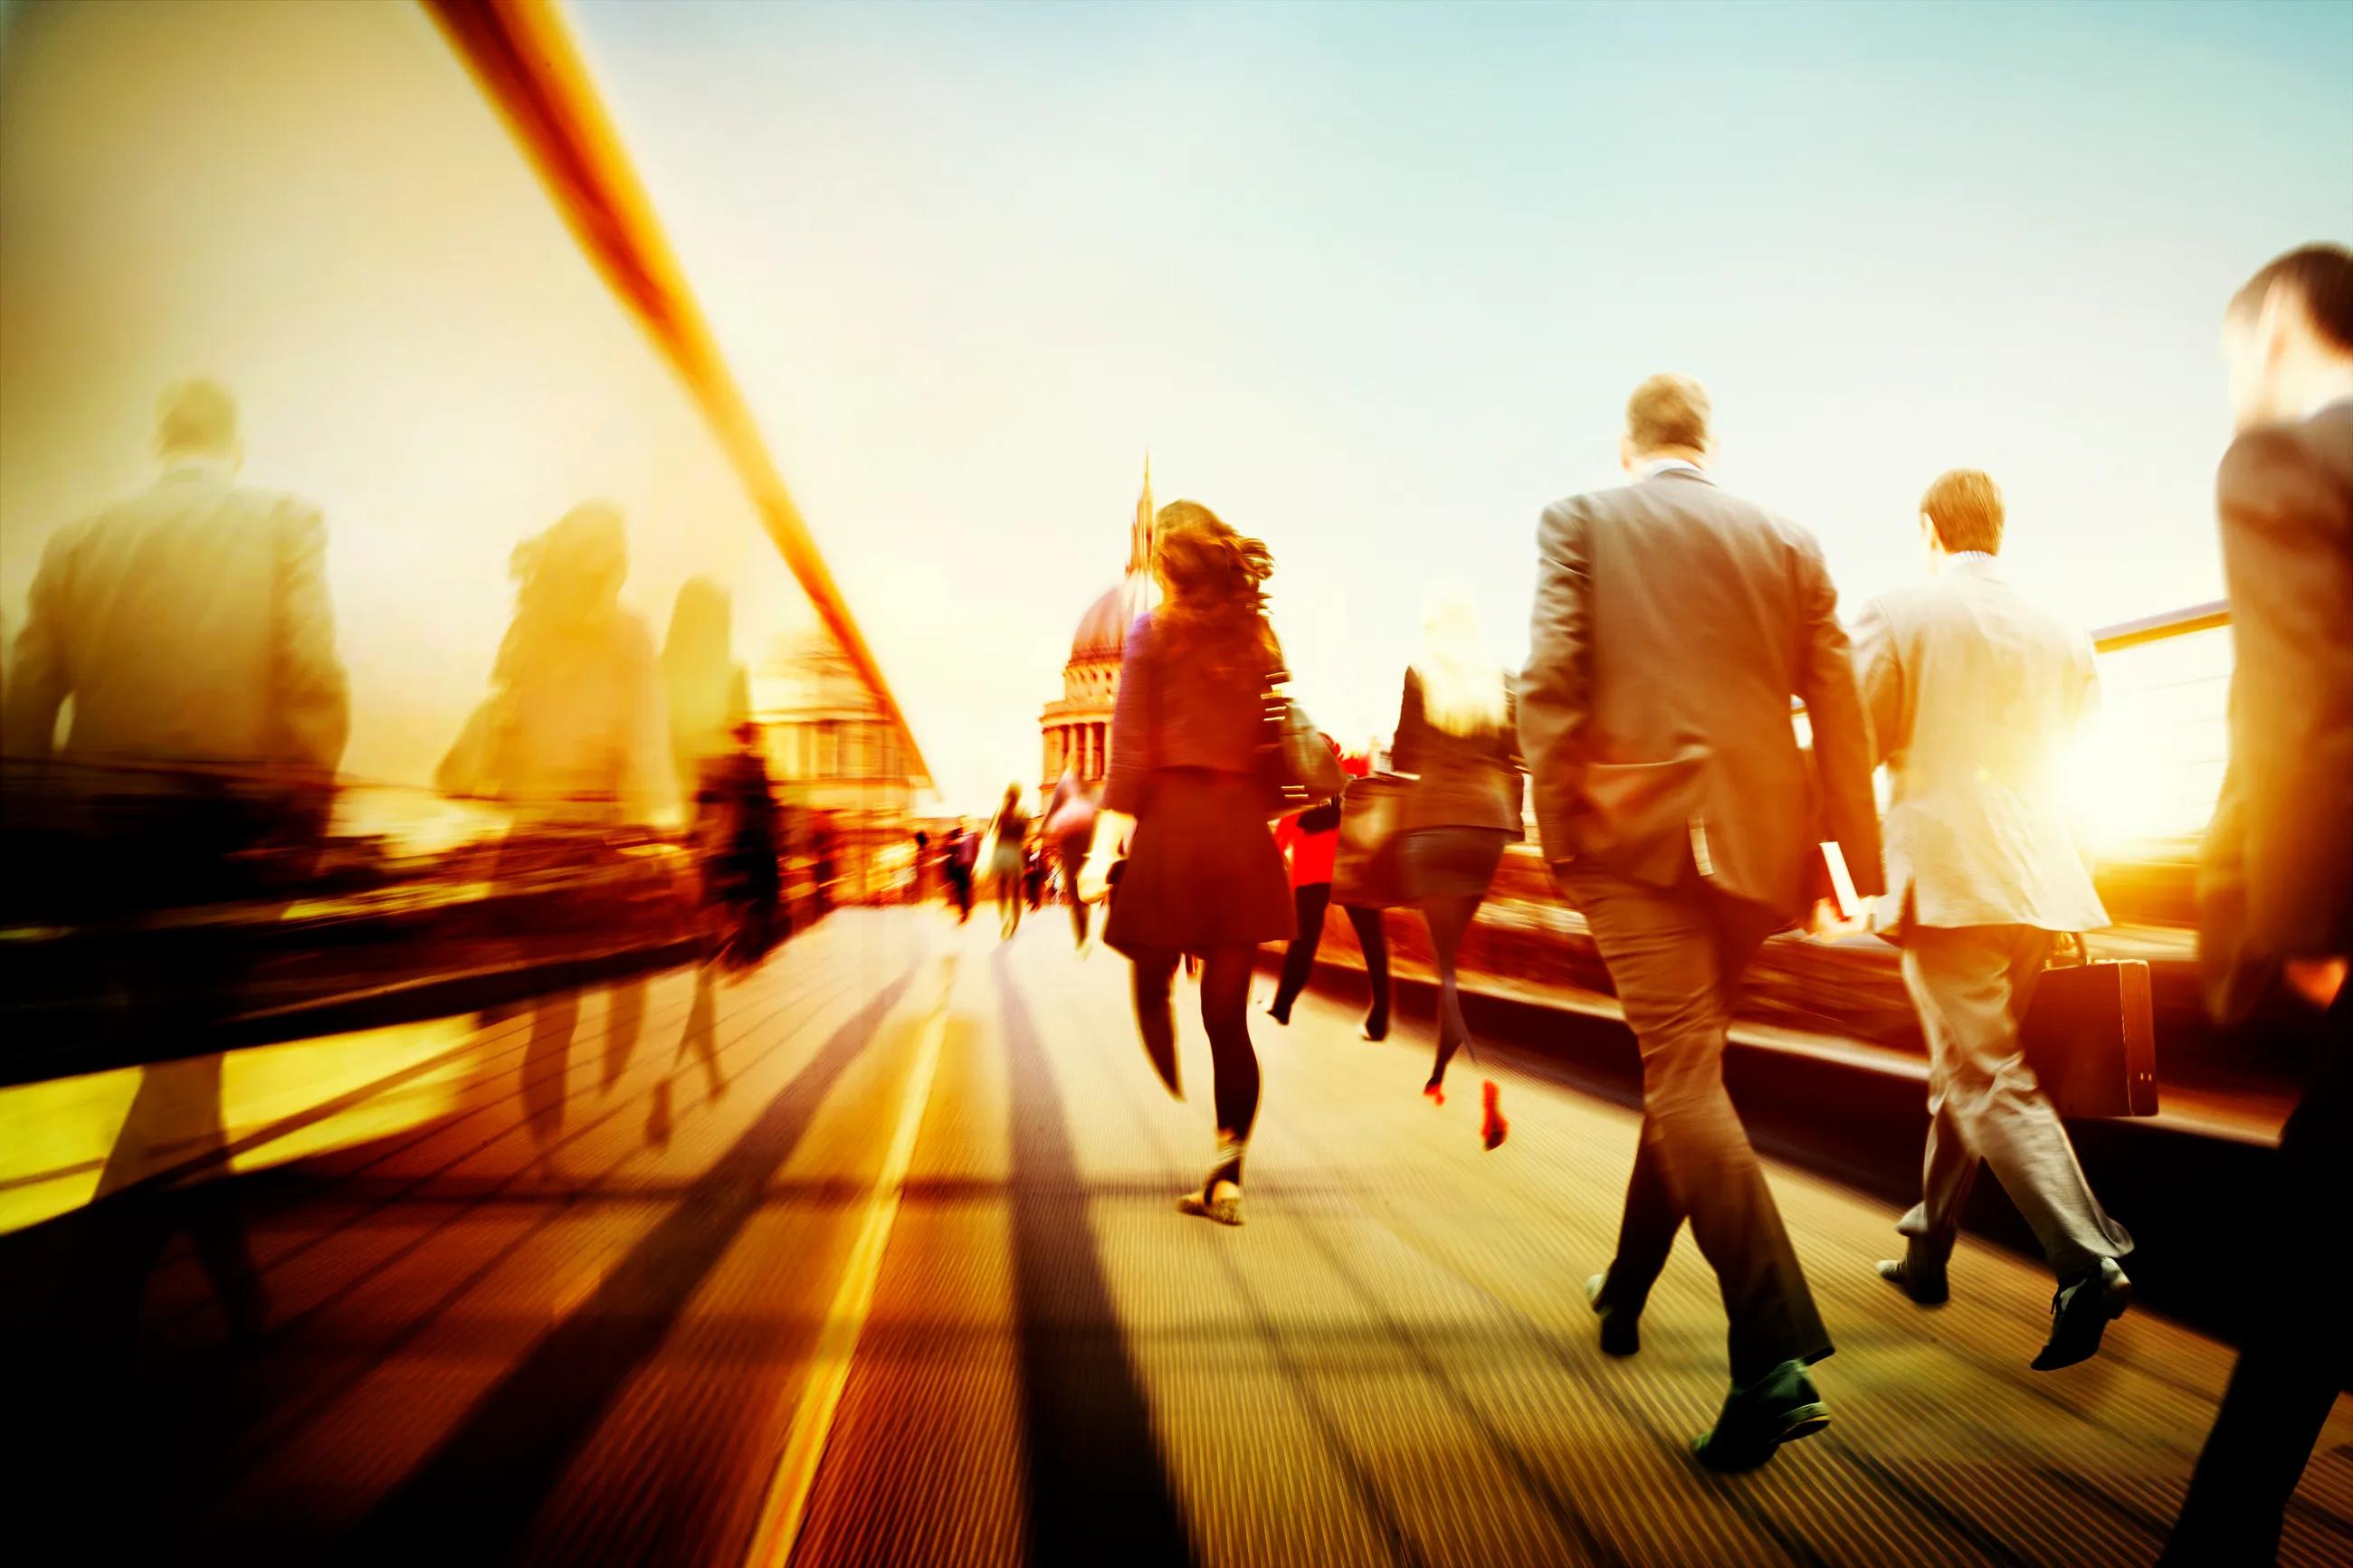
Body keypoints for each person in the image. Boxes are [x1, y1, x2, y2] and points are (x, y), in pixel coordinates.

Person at [1519, 373, 1881, 1470]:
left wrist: (1559, 834)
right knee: (1687, 1068)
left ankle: (1769, 1355)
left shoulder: (1580, 519)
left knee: (1679, 1072)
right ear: (1705, 443)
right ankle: (1625, 1285)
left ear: (1627, 445)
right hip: (1758, 848)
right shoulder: (1788, 539)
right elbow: (1838, 704)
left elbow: (1548, 681)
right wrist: (1856, 865)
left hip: (1636, 838)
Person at [5, 378, 349, 1358]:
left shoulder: (78, 540)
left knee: (180, 1067)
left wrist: (29, 845)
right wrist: (306, 818)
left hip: (99, 837)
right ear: (234, 442)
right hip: (221, 832)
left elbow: (27, 698)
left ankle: (242, 1298)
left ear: (160, 439)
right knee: (185, 1069)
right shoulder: (285, 521)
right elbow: (311, 670)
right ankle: (90, 1307)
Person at [1852, 469, 2135, 1366]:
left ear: (1930, 529)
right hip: (2036, 880)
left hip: (1946, 879)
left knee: (1984, 1071)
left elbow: (1859, 738)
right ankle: (1925, 1249)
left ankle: (2086, 1260)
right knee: (1963, 1067)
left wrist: (1849, 868)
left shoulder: (1897, 609)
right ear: (1996, 531)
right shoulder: (2063, 631)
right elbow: (2071, 749)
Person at [2161, 244, 2353, 1567]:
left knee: (2316, 1260)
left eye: (2239, 354)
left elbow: (2307, 709)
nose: (2237, 386)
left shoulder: (2286, 465)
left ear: (2283, 332)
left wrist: (2315, 930)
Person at [1080, 499, 1293, 1226]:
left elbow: (1132, 753)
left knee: (1146, 957)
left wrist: (1103, 851)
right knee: (1229, 1023)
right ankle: (1228, 1175)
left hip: (1172, 831)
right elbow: (1275, 752)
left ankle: (1158, 1028)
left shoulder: (1152, 630)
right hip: (1239, 835)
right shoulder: (1258, 635)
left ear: (1166, 565)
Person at [441, 501, 672, 1159]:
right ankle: (574, 1128)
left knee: (553, 1010)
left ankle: (547, 1144)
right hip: (595, 836)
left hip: (534, 832)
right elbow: (646, 737)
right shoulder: (628, 633)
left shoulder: (528, 625)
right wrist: (657, 823)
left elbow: (509, 717)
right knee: (594, 988)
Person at [1394, 586, 1525, 1150]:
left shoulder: (1420, 675)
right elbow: (1516, 752)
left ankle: (1477, 1071)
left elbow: (1402, 755)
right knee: (1462, 957)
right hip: (1487, 828)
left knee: (1445, 964)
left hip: (1435, 823)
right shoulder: (1503, 681)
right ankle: (1441, 1076)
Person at [1266, 733, 1345, 1022]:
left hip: (1309, 877)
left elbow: (1283, 834)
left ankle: (1283, 1005)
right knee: (1306, 943)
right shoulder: (1341, 785)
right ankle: (1284, 1003)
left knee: (1302, 943)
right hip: (1338, 876)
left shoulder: (1304, 787)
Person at [1045, 762, 1100, 950]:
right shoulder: (1089, 787)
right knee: (1085, 883)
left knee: (1073, 886)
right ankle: (1085, 922)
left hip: (1070, 841)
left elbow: (1052, 812)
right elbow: (1097, 813)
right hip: (1088, 837)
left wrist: (1048, 827)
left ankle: (1081, 937)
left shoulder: (1063, 784)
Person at [985, 782, 1031, 938]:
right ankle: (1015, 922)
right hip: (1015, 851)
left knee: (1002, 887)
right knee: (1017, 889)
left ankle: (1004, 918)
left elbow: (991, 830)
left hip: (1001, 851)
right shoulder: (1023, 812)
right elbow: (1024, 832)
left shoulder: (1001, 811)